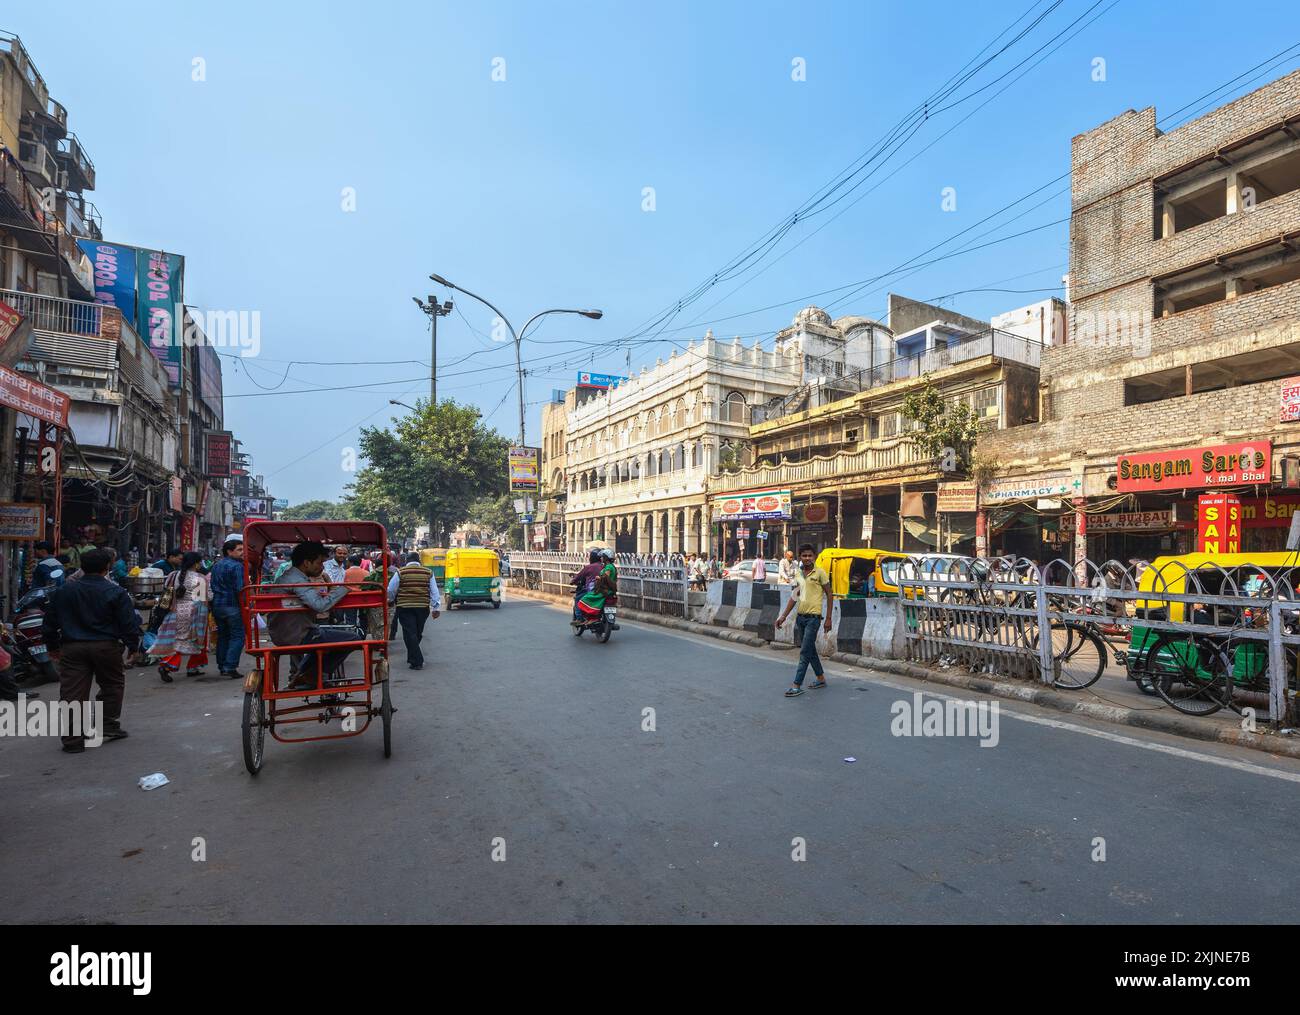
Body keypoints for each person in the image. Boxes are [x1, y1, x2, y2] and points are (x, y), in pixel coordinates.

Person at [42, 548, 141, 753]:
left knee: (72, 692)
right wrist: (133, 646)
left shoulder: (64, 591)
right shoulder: (115, 591)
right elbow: (128, 622)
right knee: (112, 686)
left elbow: (50, 621)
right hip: (106, 646)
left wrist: (52, 646)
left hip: (72, 647)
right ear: (108, 567)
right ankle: (107, 725)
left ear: (82, 567)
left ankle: (72, 740)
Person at [269, 541, 354, 690]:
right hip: (297, 634)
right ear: (307, 563)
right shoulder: (296, 580)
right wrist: (342, 589)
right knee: (353, 637)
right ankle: (313, 674)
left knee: (327, 636)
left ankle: (305, 672)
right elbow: (320, 606)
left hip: (285, 632)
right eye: (320, 562)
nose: (321, 567)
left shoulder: (288, 577)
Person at [774, 544, 833, 697]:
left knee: (805, 652)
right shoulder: (799, 574)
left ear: (814, 556)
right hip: (801, 618)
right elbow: (795, 597)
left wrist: (828, 618)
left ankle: (796, 685)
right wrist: (783, 616)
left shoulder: (820, 573)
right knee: (810, 650)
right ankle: (820, 678)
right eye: (804, 555)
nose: (807, 558)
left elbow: (830, 594)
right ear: (800, 557)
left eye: (810, 555)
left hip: (814, 619)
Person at [153, 552, 212, 681]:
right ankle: (170, 665)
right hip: (193, 613)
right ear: (197, 563)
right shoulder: (200, 578)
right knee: (196, 640)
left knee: (177, 640)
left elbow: (167, 593)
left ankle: (185, 666)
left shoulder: (173, 575)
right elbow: (203, 599)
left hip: (174, 612)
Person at [386, 553, 442, 670]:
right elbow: (434, 591)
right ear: (419, 560)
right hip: (422, 607)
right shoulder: (428, 572)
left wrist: (390, 600)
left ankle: (415, 659)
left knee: (410, 633)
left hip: (404, 607)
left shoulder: (401, 572)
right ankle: (415, 659)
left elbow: (391, 589)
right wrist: (436, 607)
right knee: (416, 633)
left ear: (407, 560)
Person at [209, 538, 247, 678]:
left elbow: (212, 585)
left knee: (223, 636)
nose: (243, 552)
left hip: (218, 605)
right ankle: (230, 666)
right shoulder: (237, 566)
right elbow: (240, 589)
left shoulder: (217, 565)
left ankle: (222, 665)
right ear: (229, 551)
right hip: (232, 606)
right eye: (239, 550)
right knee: (237, 636)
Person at [570, 550, 604, 623]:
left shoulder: (589, 567)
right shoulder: (605, 566)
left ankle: (579, 618)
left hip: (592, 590)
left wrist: (572, 581)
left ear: (591, 558)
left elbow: (579, 576)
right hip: (605, 590)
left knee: (578, 599)